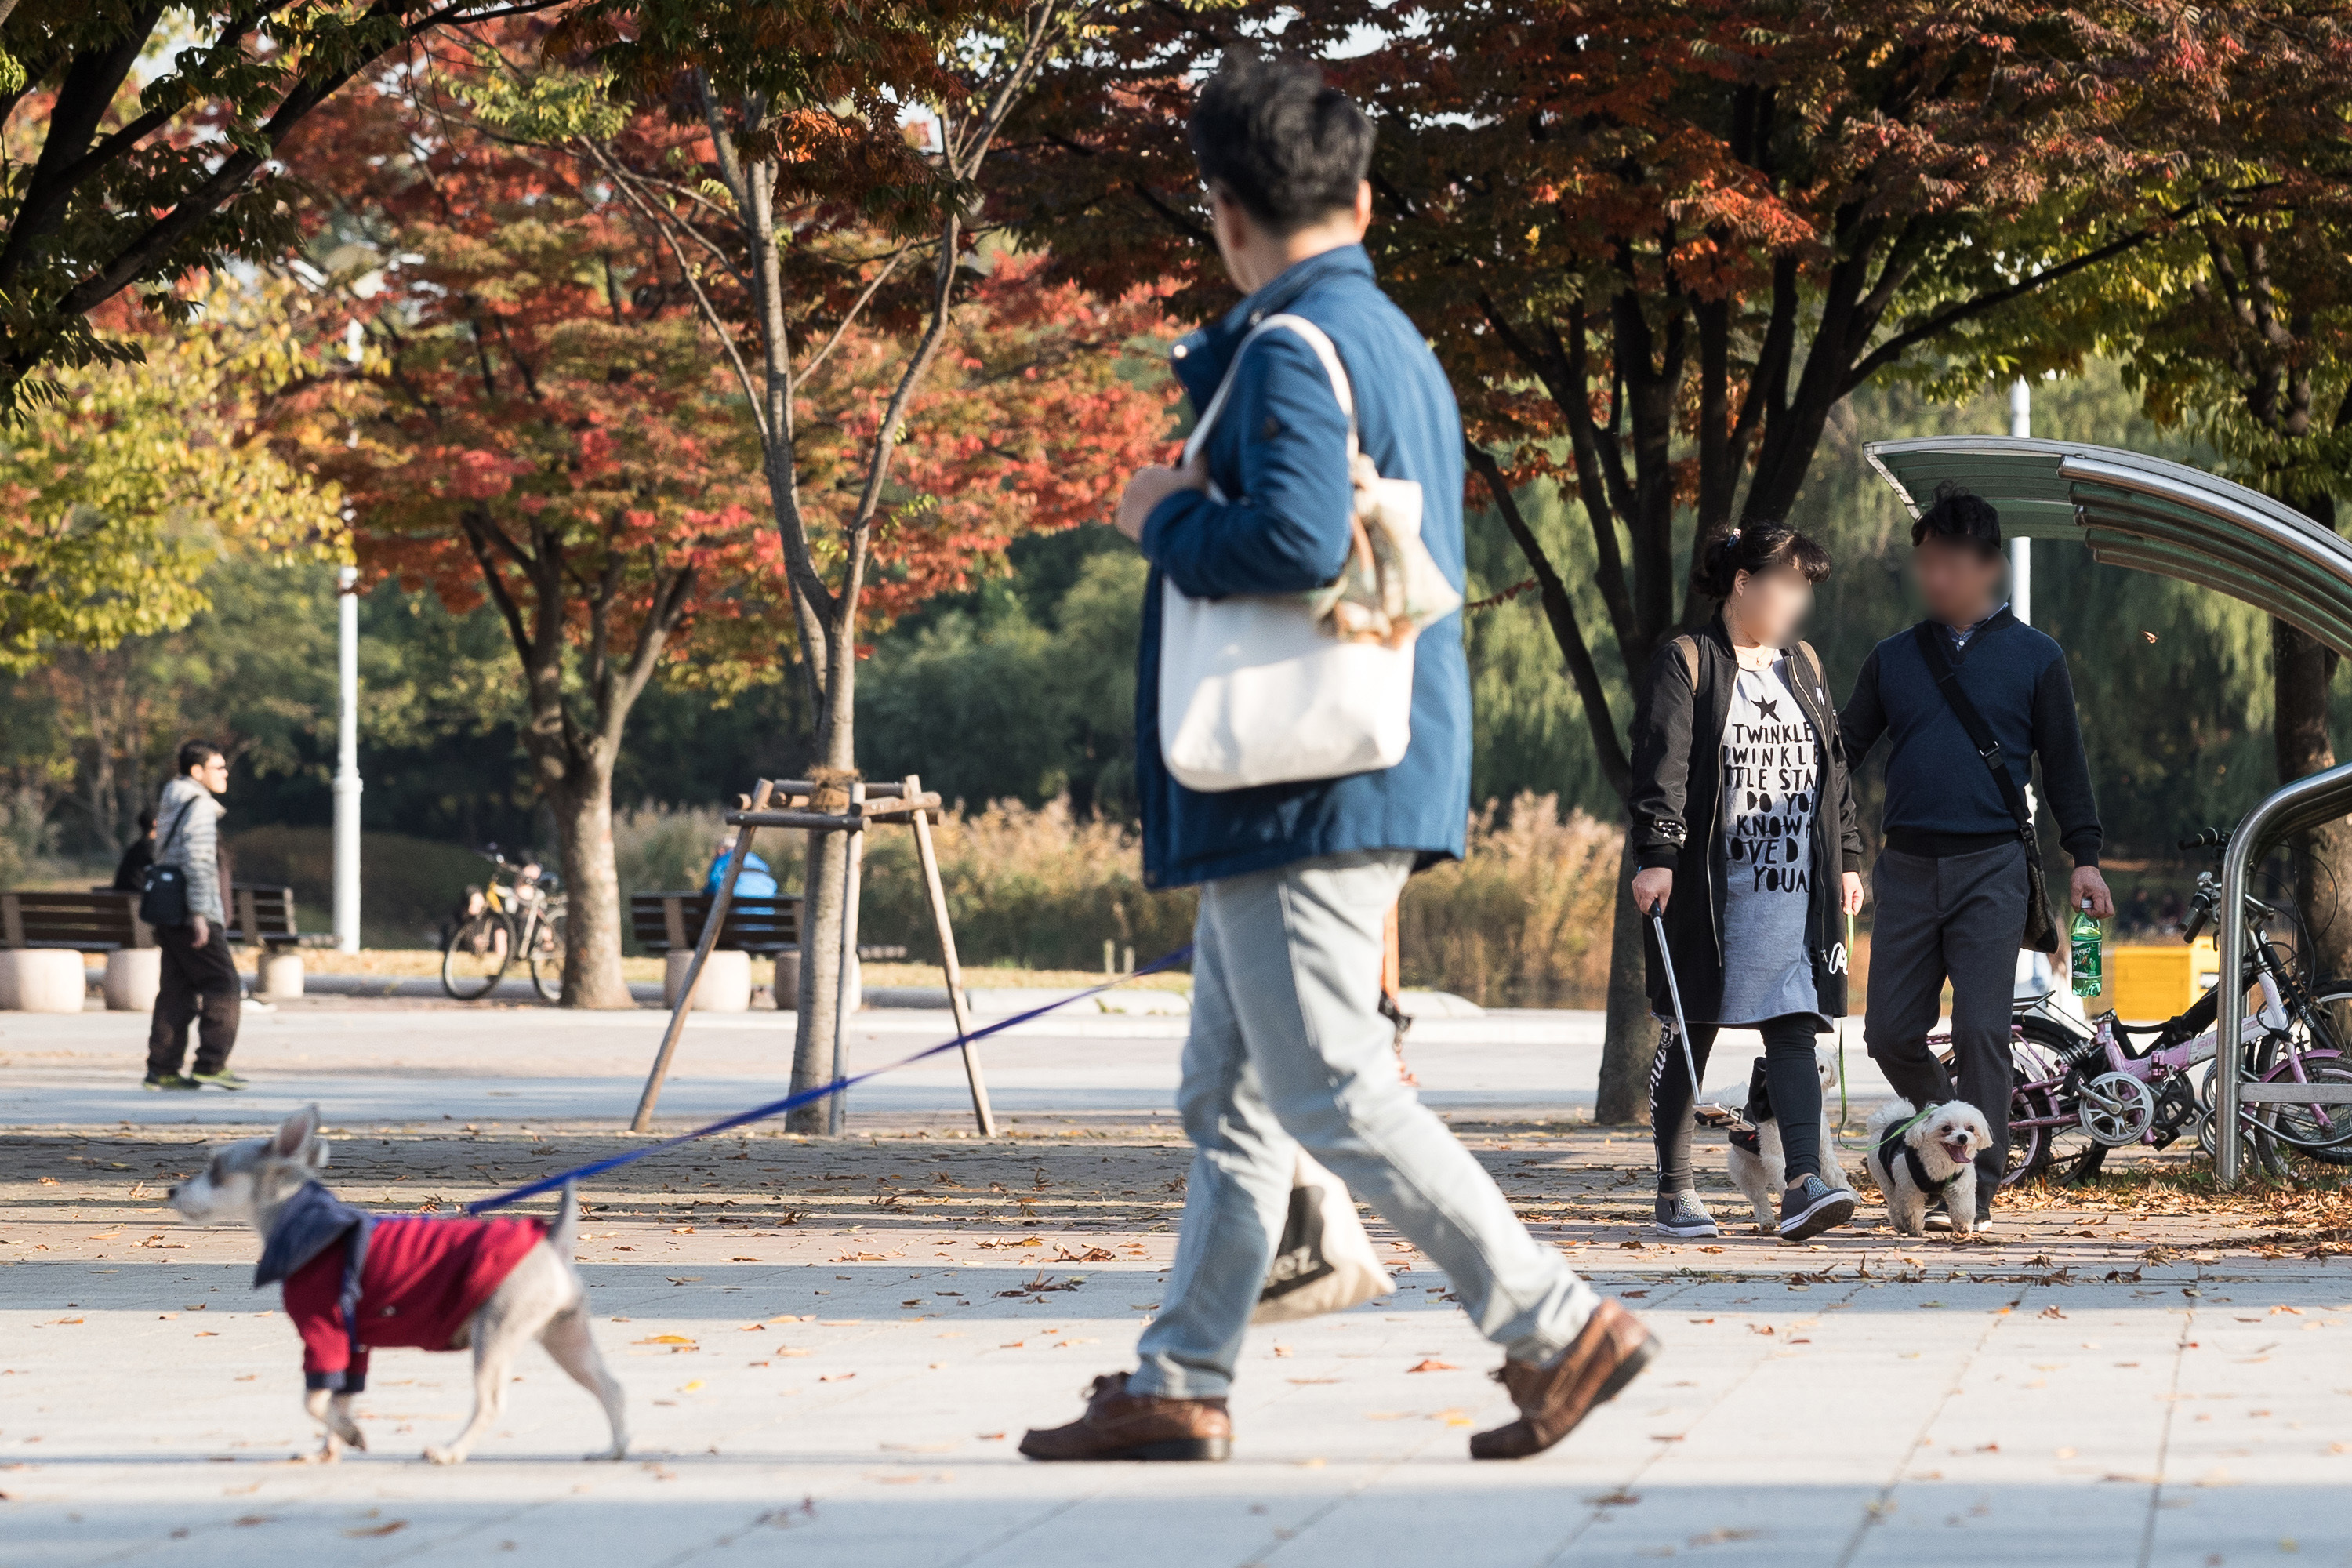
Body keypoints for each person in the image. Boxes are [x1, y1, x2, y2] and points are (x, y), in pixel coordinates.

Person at [1018, 54, 1650, 1467]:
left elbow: (1298, 543)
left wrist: (1156, 517)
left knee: (1330, 1088)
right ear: (1361, 197)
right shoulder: (1390, 341)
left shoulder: (1294, 349)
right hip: (1335, 772)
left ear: (1227, 213)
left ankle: (1555, 1324)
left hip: (1303, 785)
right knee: (1231, 1092)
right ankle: (1182, 1374)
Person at [1840, 483, 2112, 1226]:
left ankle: (1975, 1190)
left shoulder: (2036, 657)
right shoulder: (1893, 659)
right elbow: (1841, 754)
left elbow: (2065, 766)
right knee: (1889, 1030)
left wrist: (2084, 857)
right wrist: (1842, 846)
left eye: (1950, 564)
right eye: (1926, 562)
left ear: (1989, 565)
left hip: (1992, 866)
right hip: (1907, 865)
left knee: (1983, 1031)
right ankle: (1945, 1141)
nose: (1934, 578)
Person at [1626, 526, 1865, 1243]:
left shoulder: (1804, 665)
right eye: (1787, 584)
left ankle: (1801, 1184)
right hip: (1712, 887)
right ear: (1741, 583)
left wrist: (1849, 855)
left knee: (1795, 1030)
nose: (1798, 603)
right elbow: (1662, 766)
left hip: (1795, 891)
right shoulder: (1689, 661)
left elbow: (1835, 768)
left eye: (1805, 590)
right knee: (1692, 1027)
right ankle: (1675, 1191)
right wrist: (1657, 854)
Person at [144, 740, 246, 1092]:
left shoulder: (172, 800)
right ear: (196, 771)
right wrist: (200, 914)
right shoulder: (199, 805)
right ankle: (211, 1063)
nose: (225, 773)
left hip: (168, 910)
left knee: (176, 989)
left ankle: (163, 1068)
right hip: (192, 911)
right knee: (224, 984)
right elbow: (198, 862)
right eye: (218, 767)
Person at [702, 835, 778, 899]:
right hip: (765, 914)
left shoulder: (722, 861)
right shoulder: (758, 861)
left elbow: (711, 889)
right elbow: (772, 886)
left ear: (721, 851)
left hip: (732, 914)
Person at [110, 808, 158, 892]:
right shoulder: (153, 848)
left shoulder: (134, 848)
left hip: (122, 895)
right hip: (137, 896)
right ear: (155, 823)